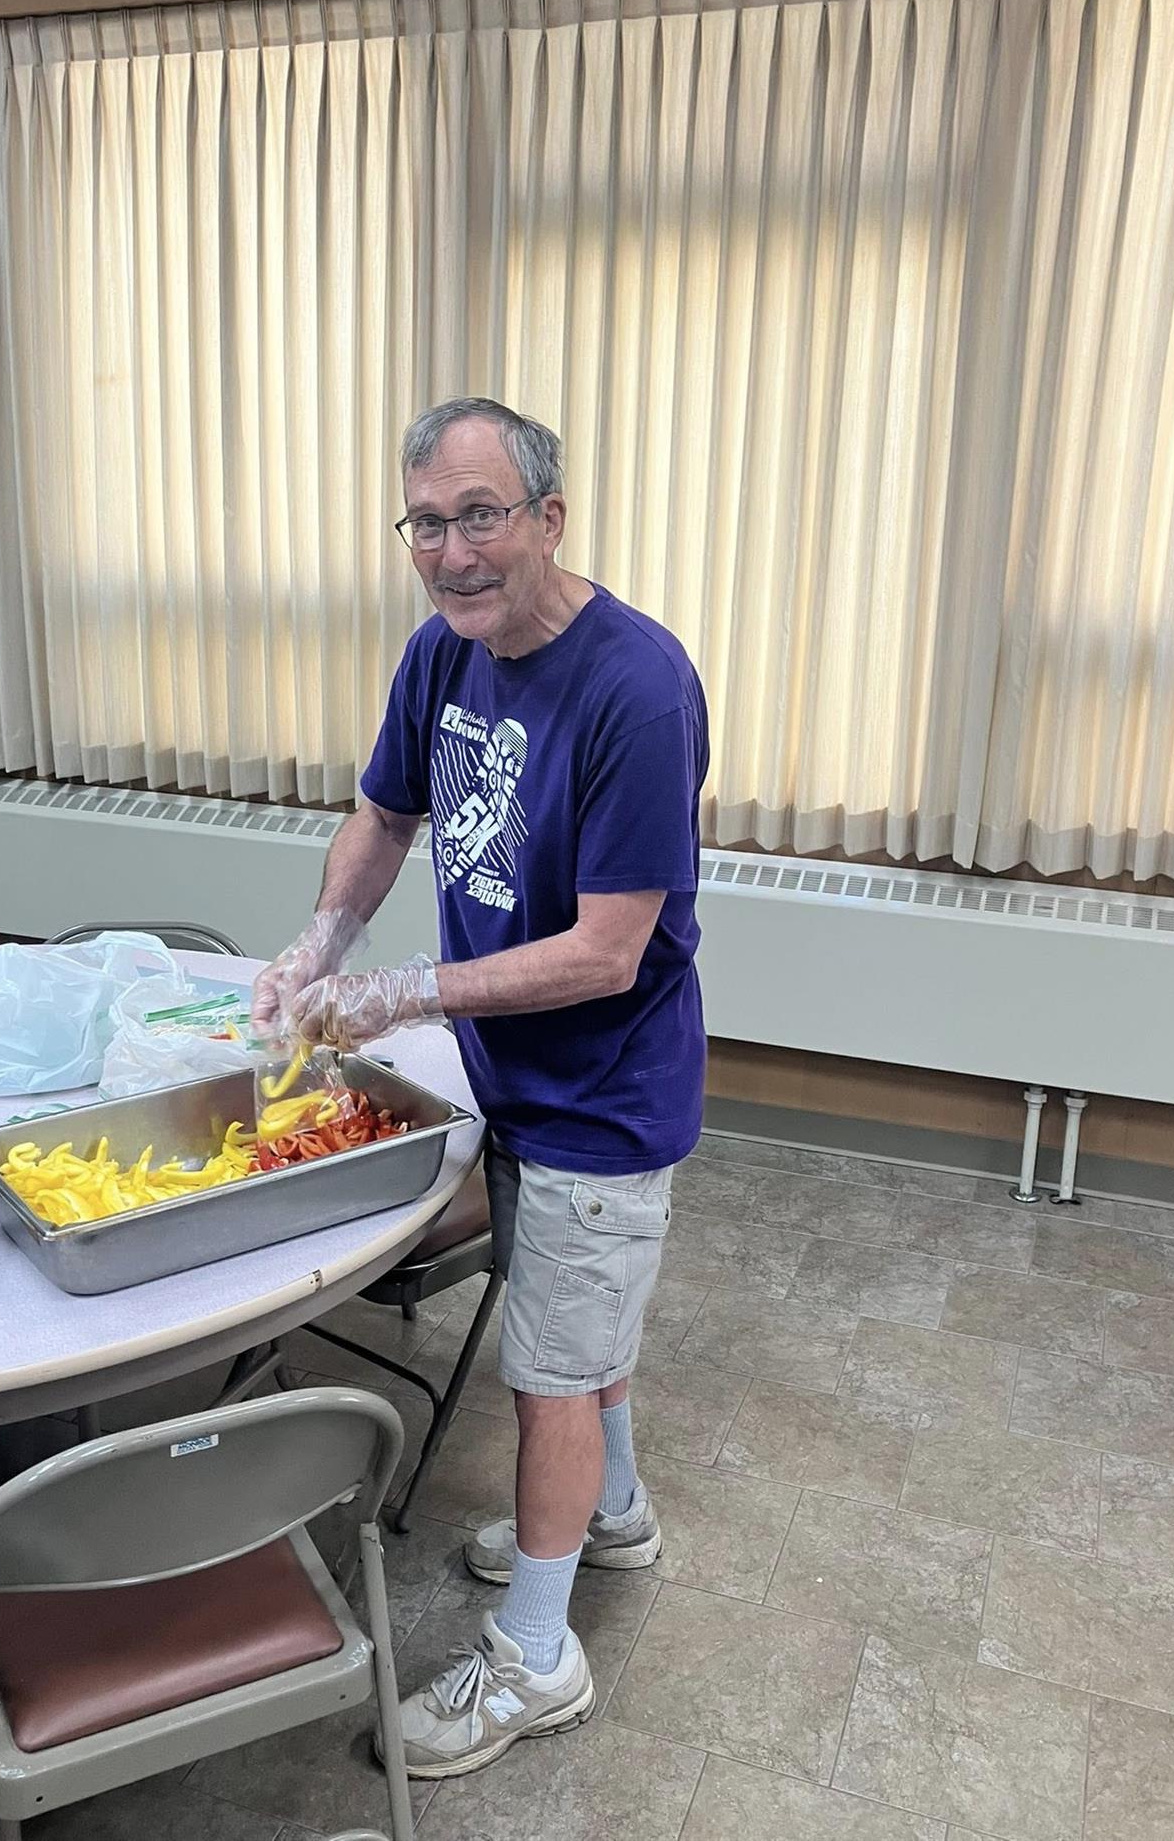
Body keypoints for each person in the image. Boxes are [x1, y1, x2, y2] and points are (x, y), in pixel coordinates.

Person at [252, 396, 708, 1778]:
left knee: (550, 1375)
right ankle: (610, 1513)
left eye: (480, 516)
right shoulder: (441, 653)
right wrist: (324, 941)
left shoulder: (637, 688)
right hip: (505, 1070)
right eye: (426, 523)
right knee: (577, 1325)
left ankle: (535, 1658)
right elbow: (385, 814)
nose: (451, 553)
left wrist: (402, 992)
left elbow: (608, 949)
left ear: (548, 519)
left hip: (601, 1094)